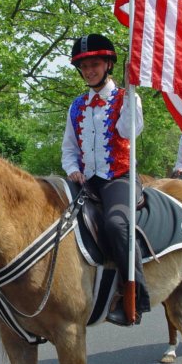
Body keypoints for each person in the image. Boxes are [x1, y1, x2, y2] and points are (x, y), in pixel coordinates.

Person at [61, 34, 150, 326]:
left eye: (95, 65)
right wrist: (72, 168)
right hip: (86, 180)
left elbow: (130, 131)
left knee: (115, 223)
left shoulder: (127, 97)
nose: (89, 71)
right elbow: (69, 148)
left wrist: (129, 95)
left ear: (108, 65)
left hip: (118, 177)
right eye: (84, 67)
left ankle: (135, 294)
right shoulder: (76, 106)